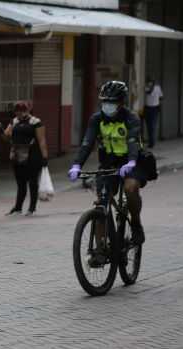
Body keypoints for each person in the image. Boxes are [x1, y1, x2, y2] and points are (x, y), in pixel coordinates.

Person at [68, 81, 148, 244]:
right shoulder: (96, 119)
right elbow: (87, 143)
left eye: (112, 102)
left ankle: (135, 222)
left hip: (131, 162)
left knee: (130, 188)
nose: (107, 105)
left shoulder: (131, 118)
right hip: (108, 163)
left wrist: (132, 161)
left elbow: (132, 140)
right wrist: (77, 165)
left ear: (122, 103)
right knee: (101, 201)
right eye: (104, 102)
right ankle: (100, 249)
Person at [0, 101, 48, 216]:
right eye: (17, 111)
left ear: (27, 110)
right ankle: (18, 208)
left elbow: (42, 141)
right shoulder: (15, 121)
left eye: (22, 110)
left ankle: (32, 208)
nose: (20, 113)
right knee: (20, 183)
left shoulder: (36, 122)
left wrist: (45, 157)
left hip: (33, 156)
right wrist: (1, 130)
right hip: (17, 156)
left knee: (32, 182)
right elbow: (6, 136)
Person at [143, 76, 163, 149]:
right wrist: (153, 85)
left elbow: (161, 96)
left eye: (151, 81)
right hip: (147, 108)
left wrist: (161, 106)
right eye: (149, 81)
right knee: (148, 126)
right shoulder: (145, 87)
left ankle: (152, 142)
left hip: (155, 109)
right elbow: (149, 92)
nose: (150, 82)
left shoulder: (158, 88)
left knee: (153, 125)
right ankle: (150, 140)